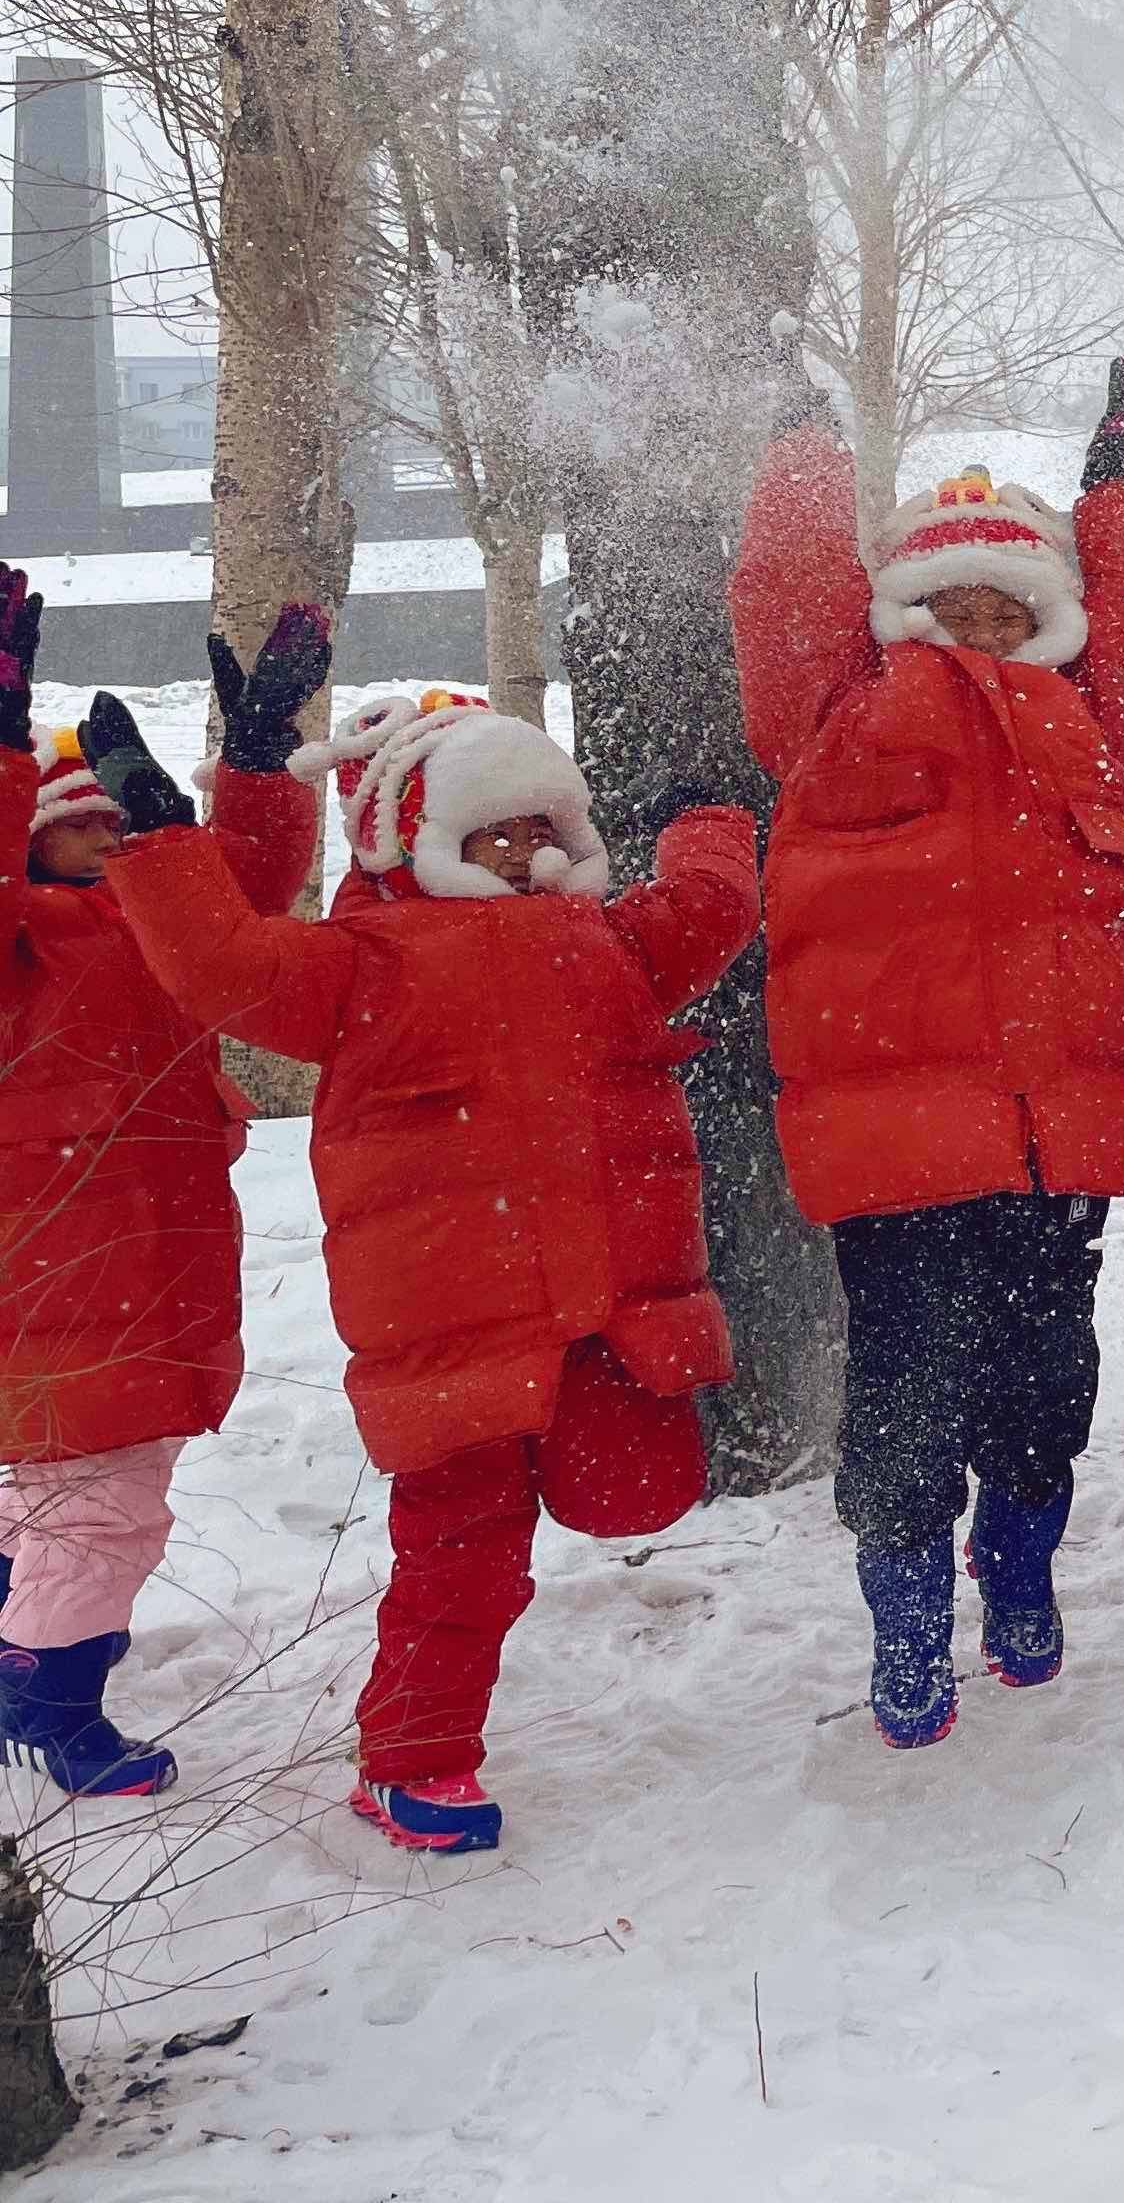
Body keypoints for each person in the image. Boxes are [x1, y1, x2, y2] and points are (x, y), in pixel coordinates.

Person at [103, 687, 756, 1854]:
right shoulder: (362, 962)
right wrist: (159, 835)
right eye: (489, 832)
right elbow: (217, 961)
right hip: (453, 1324)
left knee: (638, 1487)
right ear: (413, 836)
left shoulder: (610, 939)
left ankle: (427, 1735)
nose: (520, 853)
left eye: (540, 829)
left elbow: (711, 909)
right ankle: (415, 1758)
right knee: (463, 1552)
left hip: (602, 1304)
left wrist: (705, 810)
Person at [732, 362, 1124, 1746]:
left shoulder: (1097, 731)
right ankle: (911, 1619)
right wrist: (804, 447)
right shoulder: (837, 719)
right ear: (892, 621)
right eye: (948, 612)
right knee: (907, 1394)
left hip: (1055, 1131)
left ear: (1050, 624)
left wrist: (1116, 482)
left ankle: (1023, 1563)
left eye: (1008, 613)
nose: (979, 635)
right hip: (895, 1143)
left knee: (1046, 1383)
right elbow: (781, 599)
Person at [0, 587, 327, 1798]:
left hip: (152, 1259)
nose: (110, 845)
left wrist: (253, 760)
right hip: (63, 1266)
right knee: (103, 1505)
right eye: (82, 829)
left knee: (60, 1489)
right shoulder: (21, 938)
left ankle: (19, 1654)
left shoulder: (151, 921)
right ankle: (48, 1702)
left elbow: (242, 888)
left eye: (118, 828)